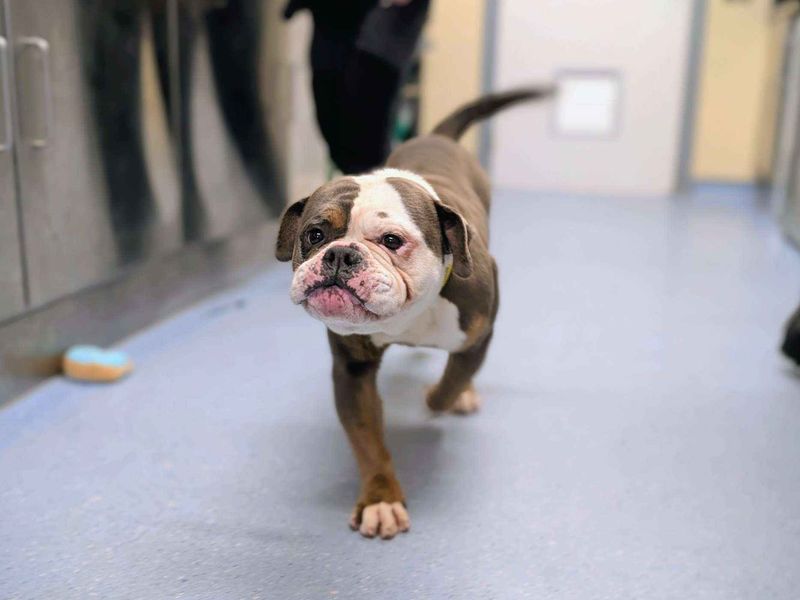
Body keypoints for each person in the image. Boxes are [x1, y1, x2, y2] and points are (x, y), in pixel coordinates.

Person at [284, 0, 430, 174]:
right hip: (350, 38)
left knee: (362, 143)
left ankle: (366, 180)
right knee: (331, 118)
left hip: (380, 56)